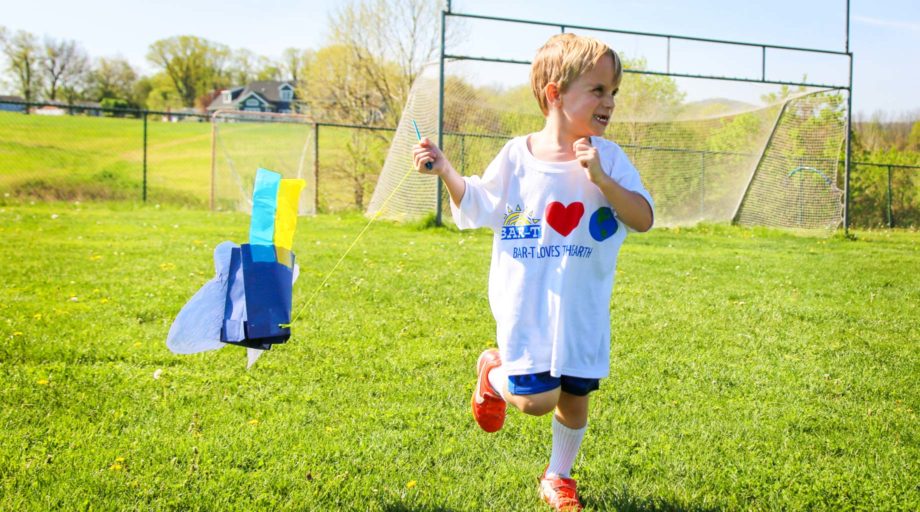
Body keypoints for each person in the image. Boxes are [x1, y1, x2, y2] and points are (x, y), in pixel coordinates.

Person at [412, 33, 654, 511]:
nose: (609, 103)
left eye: (614, 93)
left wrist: (602, 178)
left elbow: (643, 218)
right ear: (555, 95)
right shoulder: (517, 157)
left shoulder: (612, 159)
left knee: (576, 398)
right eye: (598, 90)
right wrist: (446, 170)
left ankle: (558, 476)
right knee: (535, 401)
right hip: (527, 304)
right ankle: (493, 374)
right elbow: (479, 203)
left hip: (583, 307)